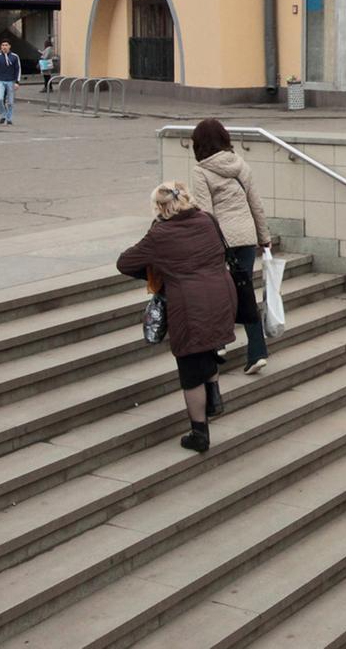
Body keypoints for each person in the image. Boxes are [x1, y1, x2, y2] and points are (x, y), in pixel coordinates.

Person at [116, 183, 237, 453]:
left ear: (160, 207)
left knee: (190, 369)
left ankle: (199, 433)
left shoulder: (161, 233)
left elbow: (124, 262)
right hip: (221, 295)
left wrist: (158, 272)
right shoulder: (207, 219)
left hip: (188, 303)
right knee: (210, 344)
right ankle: (214, 399)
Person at [189, 118, 272, 375]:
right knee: (244, 293)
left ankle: (220, 345)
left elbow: (205, 213)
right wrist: (264, 236)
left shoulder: (200, 171)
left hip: (220, 240)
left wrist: (204, 247)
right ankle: (257, 352)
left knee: (218, 294)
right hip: (245, 238)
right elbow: (255, 204)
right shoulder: (241, 165)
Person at [0, 40, 21, 126]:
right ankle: (3, 114)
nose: (4, 47)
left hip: (11, 81)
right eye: (3, 45)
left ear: (9, 46)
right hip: (0, 80)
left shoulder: (15, 57)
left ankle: (9, 118)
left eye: (6, 45)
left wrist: (17, 82)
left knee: (10, 102)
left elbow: (18, 69)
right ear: (1, 47)